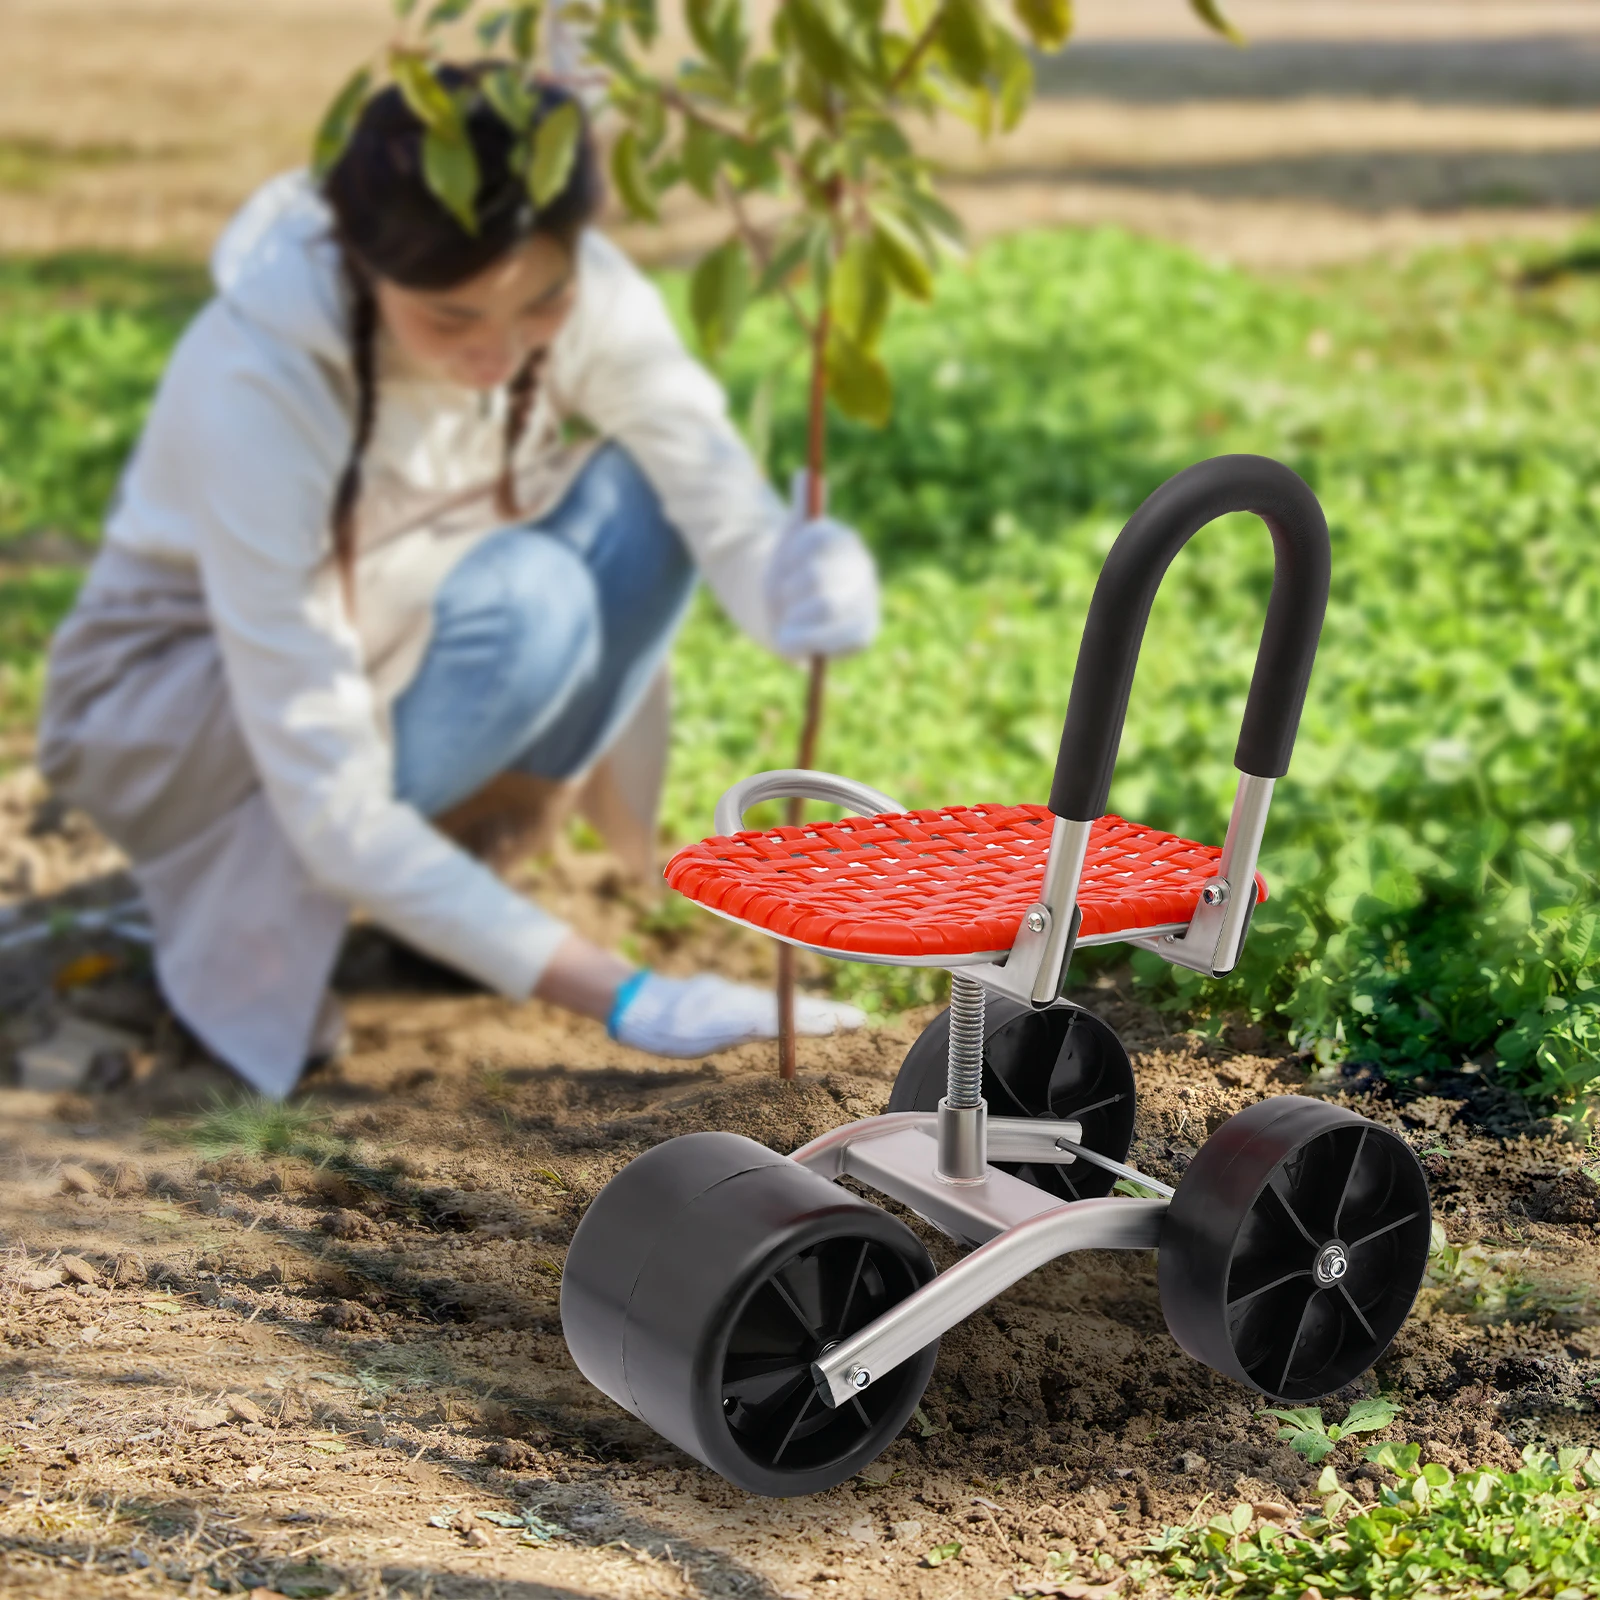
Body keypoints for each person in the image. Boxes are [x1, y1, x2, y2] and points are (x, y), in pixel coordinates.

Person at [37, 71, 877, 1098]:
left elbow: (707, 482)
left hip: (402, 606)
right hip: (183, 692)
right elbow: (329, 793)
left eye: (543, 300)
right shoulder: (256, 378)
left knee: (641, 500)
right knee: (532, 600)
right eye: (450, 318)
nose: (501, 347)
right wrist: (623, 995)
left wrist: (795, 583)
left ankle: (455, 889)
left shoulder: (575, 288)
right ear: (363, 266)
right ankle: (321, 904)